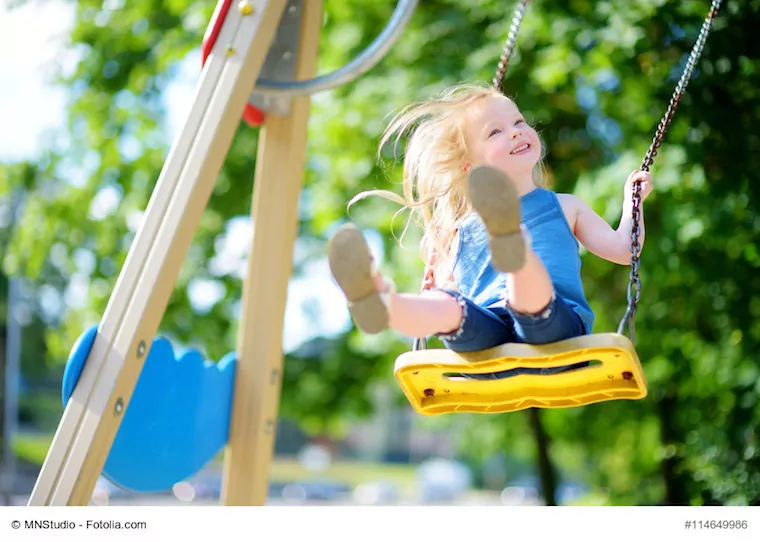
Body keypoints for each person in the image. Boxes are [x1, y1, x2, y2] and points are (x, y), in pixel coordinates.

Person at [327, 83, 653, 371]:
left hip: (556, 340)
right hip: (487, 343)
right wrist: (436, 283)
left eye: (519, 121)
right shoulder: (459, 229)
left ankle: (516, 251)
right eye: (495, 132)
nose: (515, 131)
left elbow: (625, 249)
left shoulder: (565, 205)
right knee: (448, 308)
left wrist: (632, 202)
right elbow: (449, 290)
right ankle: (383, 303)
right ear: (472, 168)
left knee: (531, 306)